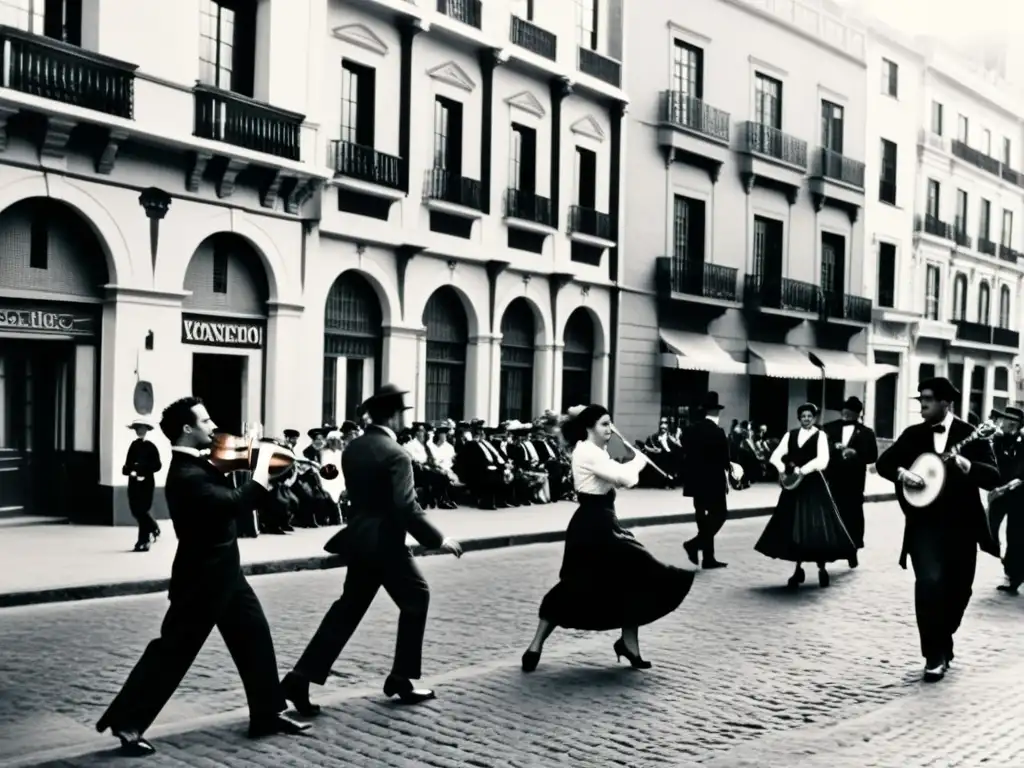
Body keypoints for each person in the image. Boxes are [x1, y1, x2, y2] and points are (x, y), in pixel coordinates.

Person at [96, 397, 308, 756]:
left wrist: (268, 461)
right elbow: (233, 503)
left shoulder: (203, 463)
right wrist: (260, 475)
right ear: (187, 429)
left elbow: (239, 488)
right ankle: (127, 723)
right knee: (173, 651)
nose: (214, 426)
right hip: (201, 579)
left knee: (254, 636)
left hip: (226, 572)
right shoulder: (185, 474)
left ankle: (267, 713)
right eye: (206, 421)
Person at [281, 384, 463, 713]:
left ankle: (299, 678)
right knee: (416, 597)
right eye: (401, 416)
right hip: (386, 543)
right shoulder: (396, 453)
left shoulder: (354, 448)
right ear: (392, 417)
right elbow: (406, 507)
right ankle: (400, 677)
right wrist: (438, 539)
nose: (403, 423)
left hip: (360, 540)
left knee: (346, 611)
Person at [521, 404, 696, 673]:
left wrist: (632, 458)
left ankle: (628, 644)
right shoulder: (587, 452)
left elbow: (618, 474)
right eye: (604, 424)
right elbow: (625, 479)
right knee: (576, 585)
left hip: (603, 522)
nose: (610, 429)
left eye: (610, 423)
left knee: (630, 581)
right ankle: (536, 644)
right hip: (592, 527)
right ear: (589, 427)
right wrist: (639, 458)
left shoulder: (597, 451)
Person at [875, 377, 1000, 682]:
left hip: (961, 527)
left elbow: (994, 476)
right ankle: (934, 655)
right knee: (929, 584)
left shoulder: (971, 434)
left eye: (928, 399)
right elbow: (884, 463)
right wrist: (903, 473)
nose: (923, 404)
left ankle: (944, 637)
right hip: (924, 526)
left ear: (946, 402)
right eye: (920, 399)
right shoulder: (913, 434)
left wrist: (968, 465)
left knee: (959, 590)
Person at [754, 403, 856, 588]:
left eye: (810, 416)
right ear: (799, 418)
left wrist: (803, 470)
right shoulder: (790, 435)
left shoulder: (821, 436)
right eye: (803, 416)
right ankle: (797, 569)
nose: (806, 419)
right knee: (793, 526)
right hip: (794, 486)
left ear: (814, 418)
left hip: (813, 485)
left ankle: (821, 568)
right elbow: (775, 455)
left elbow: (822, 460)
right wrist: (783, 469)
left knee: (816, 526)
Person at [822, 396, 878, 568]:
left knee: (852, 516)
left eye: (850, 412)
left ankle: (852, 551)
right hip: (832, 479)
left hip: (853, 482)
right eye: (844, 411)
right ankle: (830, 550)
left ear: (857, 414)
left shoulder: (867, 433)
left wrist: (856, 455)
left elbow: (873, 456)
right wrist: (833, 449)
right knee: (831, 515)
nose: (846, 414)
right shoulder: (829, 428)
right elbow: (819, 448)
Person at [681, 392, 731, 569]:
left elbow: (684, 450)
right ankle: (694, 544)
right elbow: (725, 459)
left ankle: (708, 558)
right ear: (717, 413)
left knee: (702, 518)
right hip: (713, 482)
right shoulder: (718, 432)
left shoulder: (691, 430)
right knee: (719, 514)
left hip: (695, 481)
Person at [989, 407, 1024, 593]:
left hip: (1019, 495)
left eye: (1013, 421)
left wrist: (1005, 487)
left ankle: (1014, 577)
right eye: (1006, 419)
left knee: (1016, 534)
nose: (1008, 424)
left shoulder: (1023, 442)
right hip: (1001, 493)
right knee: (989, 529)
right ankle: (1004, 558)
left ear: (1019, 425)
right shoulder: (997, 441)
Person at [122, 417, 163, 552]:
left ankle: (143, 540)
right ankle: (153, 527)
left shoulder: (151, 447)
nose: (140, 431)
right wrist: (131, 471)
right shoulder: (133, 446)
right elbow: (127, 465)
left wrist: (143, 470)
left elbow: (157, 465)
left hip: (147, 482)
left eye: (142, 428)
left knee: (143, 510)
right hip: (134, 483)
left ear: (146, 430)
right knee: (136, 510)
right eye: (138, 429)